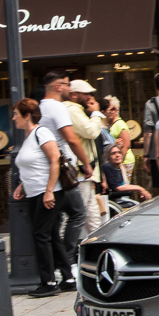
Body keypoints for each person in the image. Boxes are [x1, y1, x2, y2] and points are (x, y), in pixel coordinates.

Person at [39, 71, 90, 290]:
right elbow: (71, 137)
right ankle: (68, 263)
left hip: (48, 172)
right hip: (62, 172)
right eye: (68, 85)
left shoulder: (40, 107)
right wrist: (86, 163)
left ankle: (63, 269)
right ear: (58, 86)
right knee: (78, 213)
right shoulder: (57, 107)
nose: (70, 89)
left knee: (55, 223)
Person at [9, 99, 64, 298]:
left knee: (40, 235)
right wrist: (23, 185)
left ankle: (49, 281)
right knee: (51, 235)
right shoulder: (29, 137)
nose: (13, 118)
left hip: (46, 192)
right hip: (34, 193)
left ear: (27, 115)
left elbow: (54, 159)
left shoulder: (42, 133)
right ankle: (67, 277)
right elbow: (33, 164)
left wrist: (49, 191)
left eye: (16, 114)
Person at [65, 78, 106, 234]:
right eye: (86, 94)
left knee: (90, 212)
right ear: (74, 94)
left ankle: (95, 244)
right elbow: (90, 132)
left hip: (84, 170)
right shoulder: (72, 110)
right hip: (81, 170)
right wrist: (96, 113)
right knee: (84, 213)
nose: (90, 97)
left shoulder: (76, 109)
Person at [101, 95, 134, 176]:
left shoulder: (119, 124)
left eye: (113, 109)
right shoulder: (109, 125)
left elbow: (126, 145)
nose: (112, 112)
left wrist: (119, 162)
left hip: (124, 161)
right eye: (110, 109)